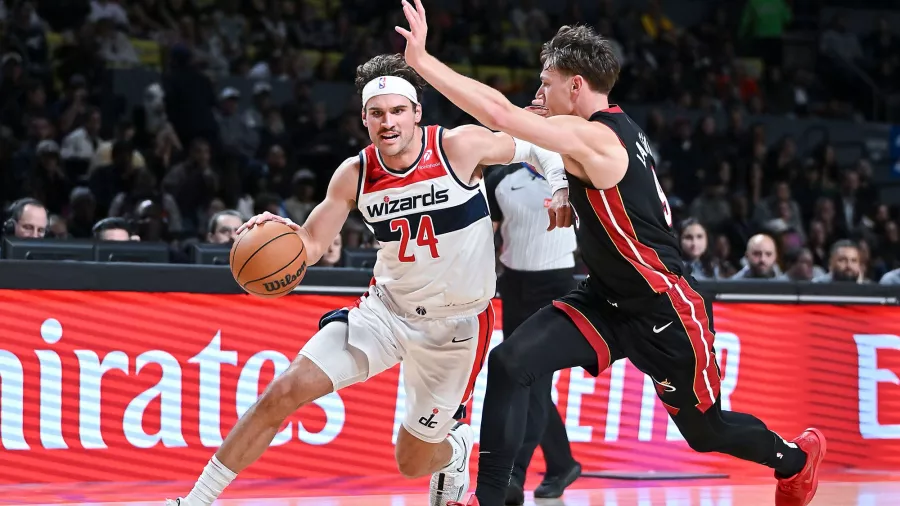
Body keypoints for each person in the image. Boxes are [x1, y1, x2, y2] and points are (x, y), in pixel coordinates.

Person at [393, 3, 826, 506]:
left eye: (547, 81)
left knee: (706, 432)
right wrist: (561, 190)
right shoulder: (598, 133)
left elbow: (500, 115)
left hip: (663, 308)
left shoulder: (599, 137)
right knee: (511, 363)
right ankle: (486, 499)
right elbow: (544, 148)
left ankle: (796, 459)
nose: (541, 92)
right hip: (605, 300)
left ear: (575, 87)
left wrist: (422, 62)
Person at [165, 53, 570, 506]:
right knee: (284, 390)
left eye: (398, 111)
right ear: (364, 118)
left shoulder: (459, 146)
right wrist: (283, 233)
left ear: (417, 112)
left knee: (411, 462)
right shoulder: (354, 175)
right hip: (384, 312)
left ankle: (454, 449)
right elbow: (312, 245)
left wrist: (559, 184)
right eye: (377, 113)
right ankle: (194, 500)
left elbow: (538, 144)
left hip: (454, 329)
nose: (388, 122)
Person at [484, 162, 580, 503]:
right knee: (520, 378)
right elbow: (487, 233)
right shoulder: (501, 178)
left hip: (556, 284)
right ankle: (562, 463)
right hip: (514, 284)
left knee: (533, 381)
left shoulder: (575, 172)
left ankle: (515, 474)